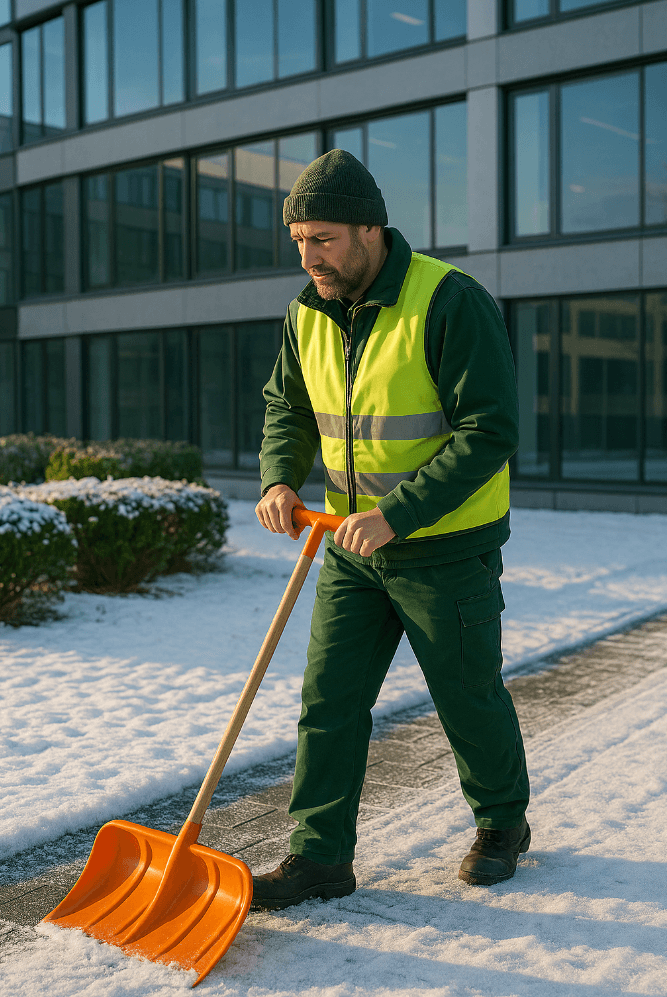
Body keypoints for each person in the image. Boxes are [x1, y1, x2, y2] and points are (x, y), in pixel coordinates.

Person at [252, 149, 530, 911]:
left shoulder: (448, 300)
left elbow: (489, 429)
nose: (308, 257)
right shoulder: (306, 311)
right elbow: (289, 406)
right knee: (328, 700)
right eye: (299, 241)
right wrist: (280, 475)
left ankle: (503, 824)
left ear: (370, 229)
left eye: (324, 239)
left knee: (465, 695)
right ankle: (318, 857)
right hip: (349, 546)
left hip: (443, 549)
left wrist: (396, 513)